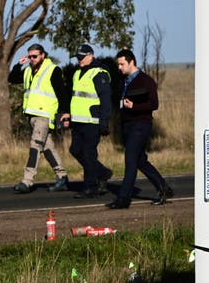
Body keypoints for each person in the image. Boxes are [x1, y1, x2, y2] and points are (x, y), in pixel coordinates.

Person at [107, 48, 173, 209]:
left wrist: (134, 106)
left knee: (130, 160)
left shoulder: (146, 81)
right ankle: (164, 189)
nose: (119, 67)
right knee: (140, 161)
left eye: (122, 64)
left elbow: (154, 104)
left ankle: (123, 199)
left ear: (132, 62)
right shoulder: (124, 81)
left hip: (141, 125)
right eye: (118, 65)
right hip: (128, 126)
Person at [8, 43, 69, 193]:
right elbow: (12, 78)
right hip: (33, 116)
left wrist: (66, 112)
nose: (32, 59)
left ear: (43, 55)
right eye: (30, 56)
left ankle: (27, 181)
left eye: (34, 56)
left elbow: (62, 92)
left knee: (35, 146)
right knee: (47, 148)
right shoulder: (28, 70)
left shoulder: (52, 70)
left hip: (45, 116)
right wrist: (18, 65)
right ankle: (62, 176)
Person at [61, 43, 112, 199]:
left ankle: (91, 187)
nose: (79, 60)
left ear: (91, 56)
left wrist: (104, 122)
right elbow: (75, 98)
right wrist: (68, 115)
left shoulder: (99, 74)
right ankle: (102, 173)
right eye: (78, 58)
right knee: (75, 150)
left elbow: (106, 100)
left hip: (92, 122)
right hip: (78, 122)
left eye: (82, 57)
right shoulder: (77, 73)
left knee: (89, 154)